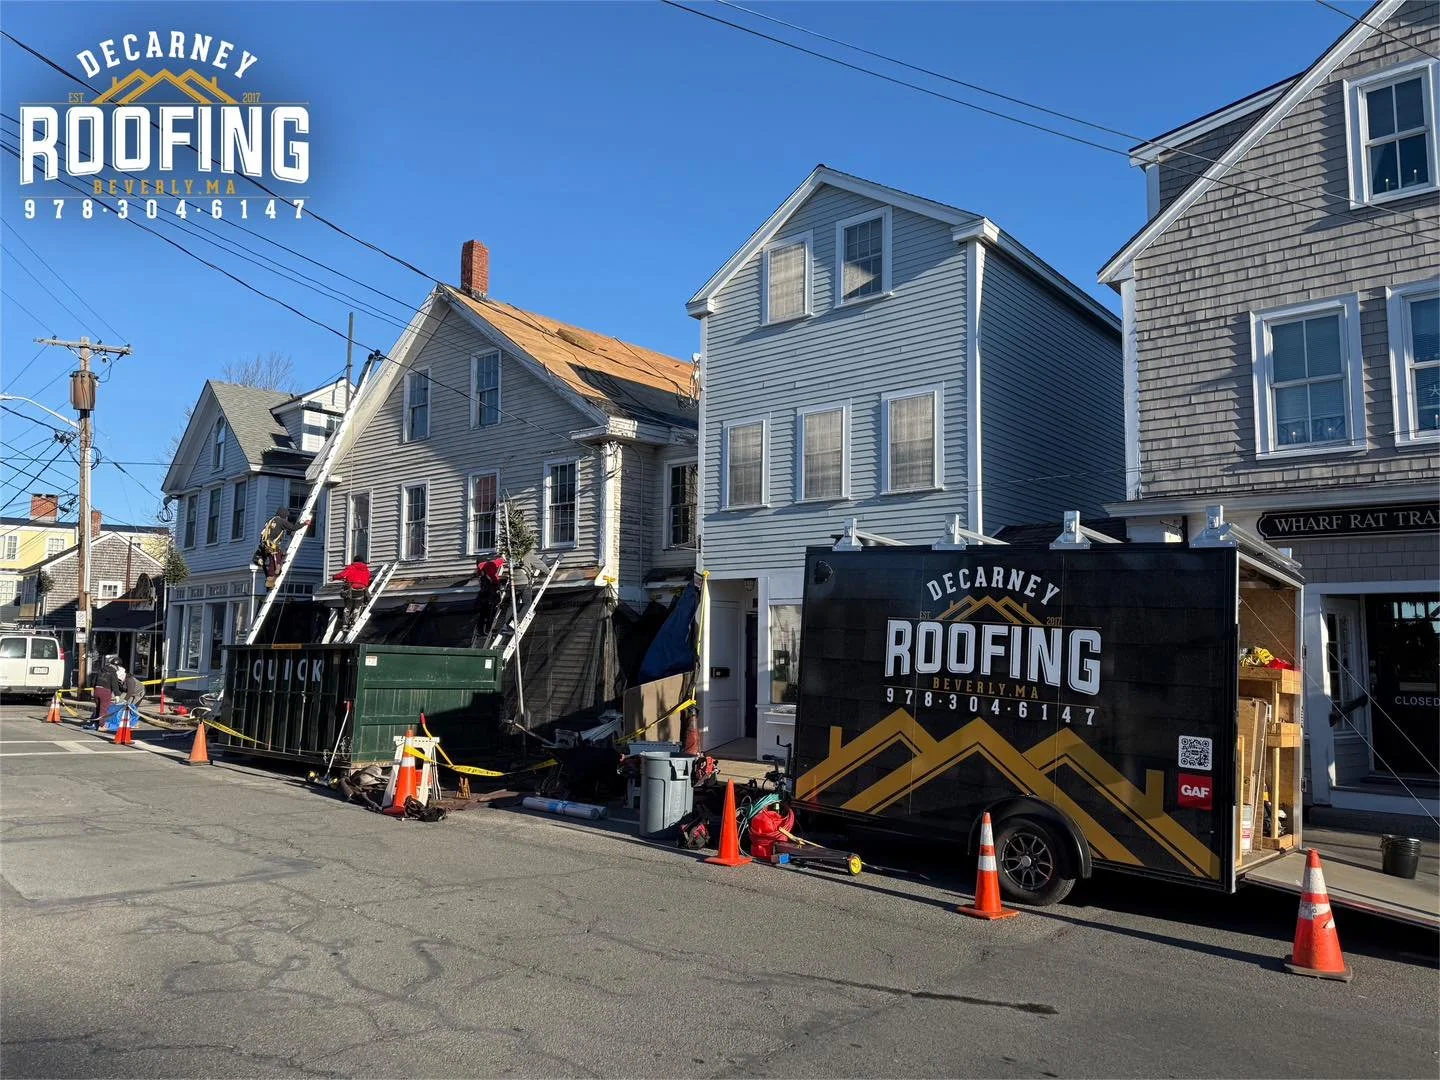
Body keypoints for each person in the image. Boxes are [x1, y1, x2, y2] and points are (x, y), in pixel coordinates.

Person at [86, 657, 121, 729]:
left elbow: (93, 681)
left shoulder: (101, 670)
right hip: (105, 692)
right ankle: (101, 726)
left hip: (97, 690)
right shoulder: (112, 673)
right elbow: (114, 684)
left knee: (98, 708)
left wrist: (93, 689)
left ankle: (94, 723)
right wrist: (117, 695)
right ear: (116, 666)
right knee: (103, 709)